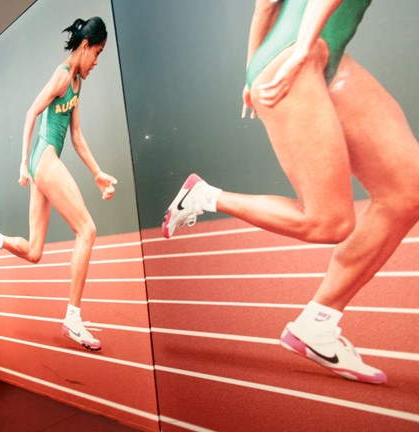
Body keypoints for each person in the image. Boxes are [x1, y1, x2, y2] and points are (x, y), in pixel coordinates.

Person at [163, 0, 419, 384]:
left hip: (321, 54)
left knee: (407, 190)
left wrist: (252, 74)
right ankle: (204, 196)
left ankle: (317, 325)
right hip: (299, 54)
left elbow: (266, 4)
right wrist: (296, 51)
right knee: (328, 223)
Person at [0, 17, 118, 352]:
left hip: (46, 160)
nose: (97, 62)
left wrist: (97, 172)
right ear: (85, 46)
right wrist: (24, 160)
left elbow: (76, 135)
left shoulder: (77, 82)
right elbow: (30, 113)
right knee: (87, 229)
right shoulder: (61, 76)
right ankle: (73, 318)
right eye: (98, 53)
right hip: (43, 159)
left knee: (34, 252)